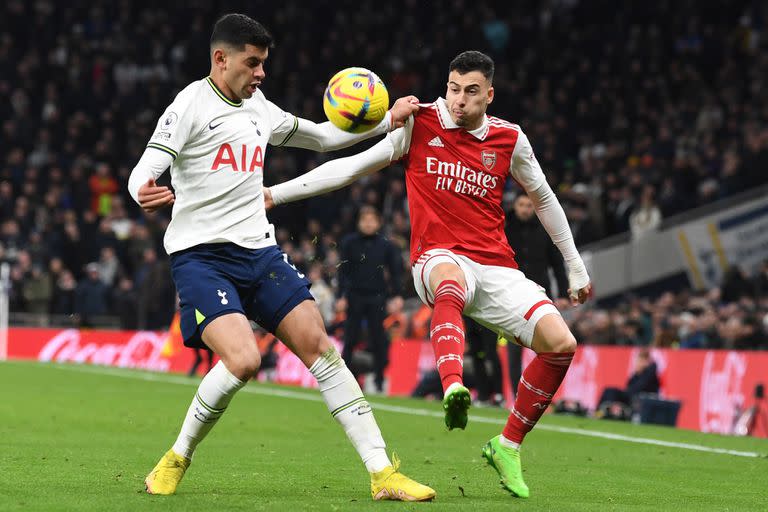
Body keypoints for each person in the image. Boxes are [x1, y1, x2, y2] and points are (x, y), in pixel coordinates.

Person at [127, 13, 434, 502]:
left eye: (264, 64)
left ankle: (383, 474)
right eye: (253, 63)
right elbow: (145, 169)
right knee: (245, 359)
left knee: (320, 347)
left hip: (259, 251)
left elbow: (323, 137)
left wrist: (384, 121)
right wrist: (140, 190)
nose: (261, 74)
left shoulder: (260, 108)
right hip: (202, 256)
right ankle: (178, 454)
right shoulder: (189, 104)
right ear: (220, 59)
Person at [266, 50, 592, 499]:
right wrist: (275, 195)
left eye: (471, 92)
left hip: (496, 265)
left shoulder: (509, 139)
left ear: (489, 95)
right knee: (450, 282)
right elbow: (351, 168)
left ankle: (507, 445)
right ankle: (454, 385)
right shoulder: (420, 123)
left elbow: (544, 199)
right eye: (453, 89)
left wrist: (574, 265)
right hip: (436, 259)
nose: (459, 101)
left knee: (561, 345)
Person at [339, 206, 403, 393]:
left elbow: (395, 272)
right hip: (354, 296)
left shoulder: (386, 245)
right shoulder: (349, 243)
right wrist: (340, 295)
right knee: (350, 338)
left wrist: (397, 295)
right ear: (359, 222)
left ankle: (379, 380)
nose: (368, 224)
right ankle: (345, 380)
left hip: (377, 297)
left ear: (378, 222)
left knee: (379, 340)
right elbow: (343, 271)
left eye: (371, 220)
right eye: (364, 220)